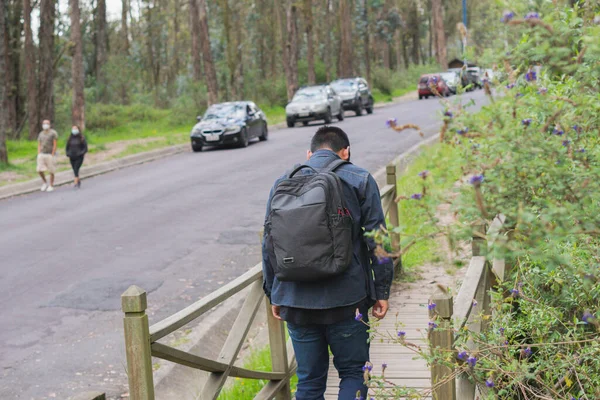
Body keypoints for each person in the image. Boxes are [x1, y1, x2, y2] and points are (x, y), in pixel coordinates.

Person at [262, 126, 394, 400]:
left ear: (309, 153)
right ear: (345, 152)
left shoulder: (282, 182)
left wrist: (273, 291)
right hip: (346, 300)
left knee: (309, 382)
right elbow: (378, 240)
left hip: (295, 300)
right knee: (354, 373)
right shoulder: (359, 178)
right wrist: (382, 291)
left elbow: (269, 242)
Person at [37, 119, 58, 192]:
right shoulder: (41, 134)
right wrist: (39, 153)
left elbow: (55, 144)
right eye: (44, 123)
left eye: (47, 123)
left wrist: (52, 154)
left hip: (50, 154)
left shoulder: (53, 133)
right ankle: (44, 182)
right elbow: (39, 144)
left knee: (51, 170)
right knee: (39, 170)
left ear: (49, 125)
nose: (45, 125)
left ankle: (51, 185)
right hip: (42, 153)